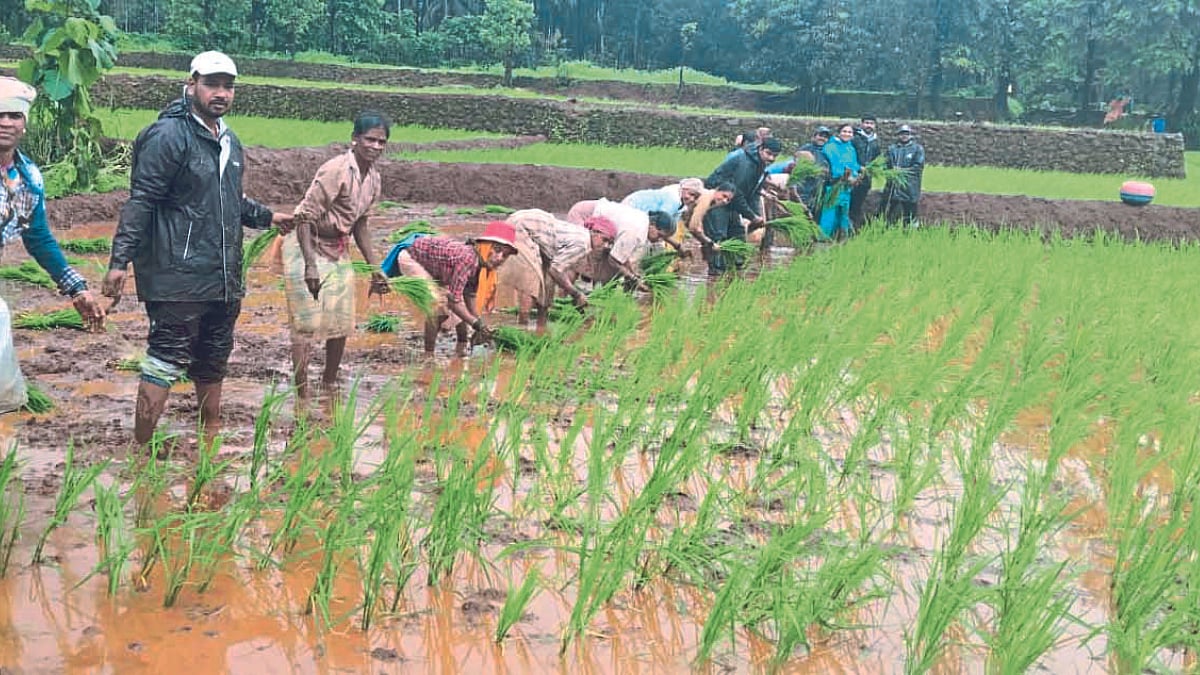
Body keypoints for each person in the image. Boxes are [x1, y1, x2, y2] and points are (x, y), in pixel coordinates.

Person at [103, 52, 292, 446]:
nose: (221, 93)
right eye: (212, 84)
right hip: (177, 273)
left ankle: (209, 440)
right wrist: (119, 261)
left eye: (228, 86)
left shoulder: (228, 140)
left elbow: (229, 200)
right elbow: (142, 201)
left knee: (213, 357)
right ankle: (142, 447)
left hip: (222, 274)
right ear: (192, 84)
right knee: (166, 356)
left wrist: (269, 217)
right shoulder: (168, 136)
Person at [0, 77, 106, 411]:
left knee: (6, 395)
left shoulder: (27, 179)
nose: (5, 122)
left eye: (14, 116)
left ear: (24, 124)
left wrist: (76, 287)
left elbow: (37, 236)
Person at [285, 111, 392, 413]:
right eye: (370, 139)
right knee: (306, 322)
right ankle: (301, 392)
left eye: (381, 141)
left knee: (341, 321)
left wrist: (375, 269)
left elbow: (360, 225)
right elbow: (303, 217)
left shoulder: (373, 178)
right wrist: (309, 265)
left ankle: (329, 383)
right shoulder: (336, 171)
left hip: (337, 246)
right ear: (355, 139)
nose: (375, 146)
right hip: (306, 244)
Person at [391, 222, 518, 357]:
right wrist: (477, 325)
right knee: (438, 308)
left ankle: (461, 345)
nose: (499, 258)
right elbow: (453, 303)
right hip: (413, 258)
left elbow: (469, 295)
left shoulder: (481, 266)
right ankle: (428, 356)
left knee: (459, 305)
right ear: (485, 246)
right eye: (497, 250)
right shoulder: (468, 259)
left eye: (505, 255)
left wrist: (480, 324)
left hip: (437, 268)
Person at [505, 209, 615, 325]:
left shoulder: (582, 236)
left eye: (609, 243)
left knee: (547, 282)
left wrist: (573, 293)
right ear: (595, 232)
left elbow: (553, 270)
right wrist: (576, 294)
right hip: (522, 226)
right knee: (530, 280)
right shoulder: (583, 244)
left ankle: (541, 325)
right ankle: (523, 327)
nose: (605, 245)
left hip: (534, 226)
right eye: (605, 240)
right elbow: (556, 270)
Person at [702, 137, 781, 275]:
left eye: (775, 156)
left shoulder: (760, 164)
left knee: (737, 234)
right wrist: (751, 215)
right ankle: (715, 275)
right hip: (718, 201)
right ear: (760, 149)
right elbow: (736, 193)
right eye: (769, 153)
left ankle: (734, 271)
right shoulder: (745, 162)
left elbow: (754, 191)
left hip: (732, 203)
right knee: (719, 236)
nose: (771, 158)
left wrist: (756, 215)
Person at [566, 199, 673, 289]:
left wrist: (631, 273)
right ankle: (560, 300)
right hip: (582, 217)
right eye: (660, 235)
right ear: (653, 225)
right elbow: (613, 259)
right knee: (576, 262)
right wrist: (632, 278)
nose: (660, 240)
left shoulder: (643, 224)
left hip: (593, 218)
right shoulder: (635, 232)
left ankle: (595, 298)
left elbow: (621, 255)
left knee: (600, 264)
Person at [622, 178, 704, 250]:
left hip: (644, 214)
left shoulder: (681, 202)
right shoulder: (673, 200)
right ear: (684, 189)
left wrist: (676, 246)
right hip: (634, 207)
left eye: (695, 197)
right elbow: (660, 226)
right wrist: (676, 245)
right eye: (691, 194)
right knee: (634, 242)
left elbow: (670, 228)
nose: (692, 199)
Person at [819, 123, 862, 241]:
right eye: (844, 131)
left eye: (850, 132)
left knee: (844, 213)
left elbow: (853, 164)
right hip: (834, 185)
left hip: (846, 187)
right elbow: (834, 165)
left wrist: (858, 172)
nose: (847, 134)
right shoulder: (830, 147)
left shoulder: (850, 148)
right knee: (829, 213)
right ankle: (824, 237)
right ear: (839, 133)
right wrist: (844, 176)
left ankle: (843, 238)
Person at [882, 125, 925, 226]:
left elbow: (918, 167)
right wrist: (891, 172)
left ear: (911, 135)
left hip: (910, 187)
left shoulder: (917, 149)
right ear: (898, 135)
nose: (904, 136)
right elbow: (885, 165)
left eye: (907, 134)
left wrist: (902, 171)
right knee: (889, 213)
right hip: (893, 187)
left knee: (910, 213)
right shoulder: (891, 149)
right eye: (902, 134)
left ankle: (910, 232)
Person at [850, 114, 881, 226]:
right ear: (861, 124)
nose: (869, 125)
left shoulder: (875, 142)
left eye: (871, 123)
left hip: (866, 179)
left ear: (875, 126)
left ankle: (853, 227)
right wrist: (858, 168)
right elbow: (849, 157)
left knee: (858, 204)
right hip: (851, 177)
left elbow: (877, 159)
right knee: (848, 203)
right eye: (866, 123)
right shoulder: (854, 139)